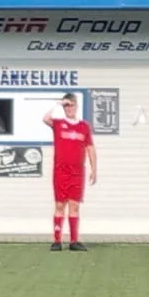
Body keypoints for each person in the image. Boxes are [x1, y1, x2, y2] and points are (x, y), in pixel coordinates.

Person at [42, 93, 96, 252]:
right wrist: (57, 104)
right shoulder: (58, 124)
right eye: (67, 106)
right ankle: (57, 241)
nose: (69, 108)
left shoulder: (84, 126)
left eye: (71, 105)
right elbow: (45, 118)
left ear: (76, 106)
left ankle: (74, 241)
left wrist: (94, 169)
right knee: (60, 205)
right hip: (61, 171)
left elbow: (90, 148)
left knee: (74, 206)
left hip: (77, 173)